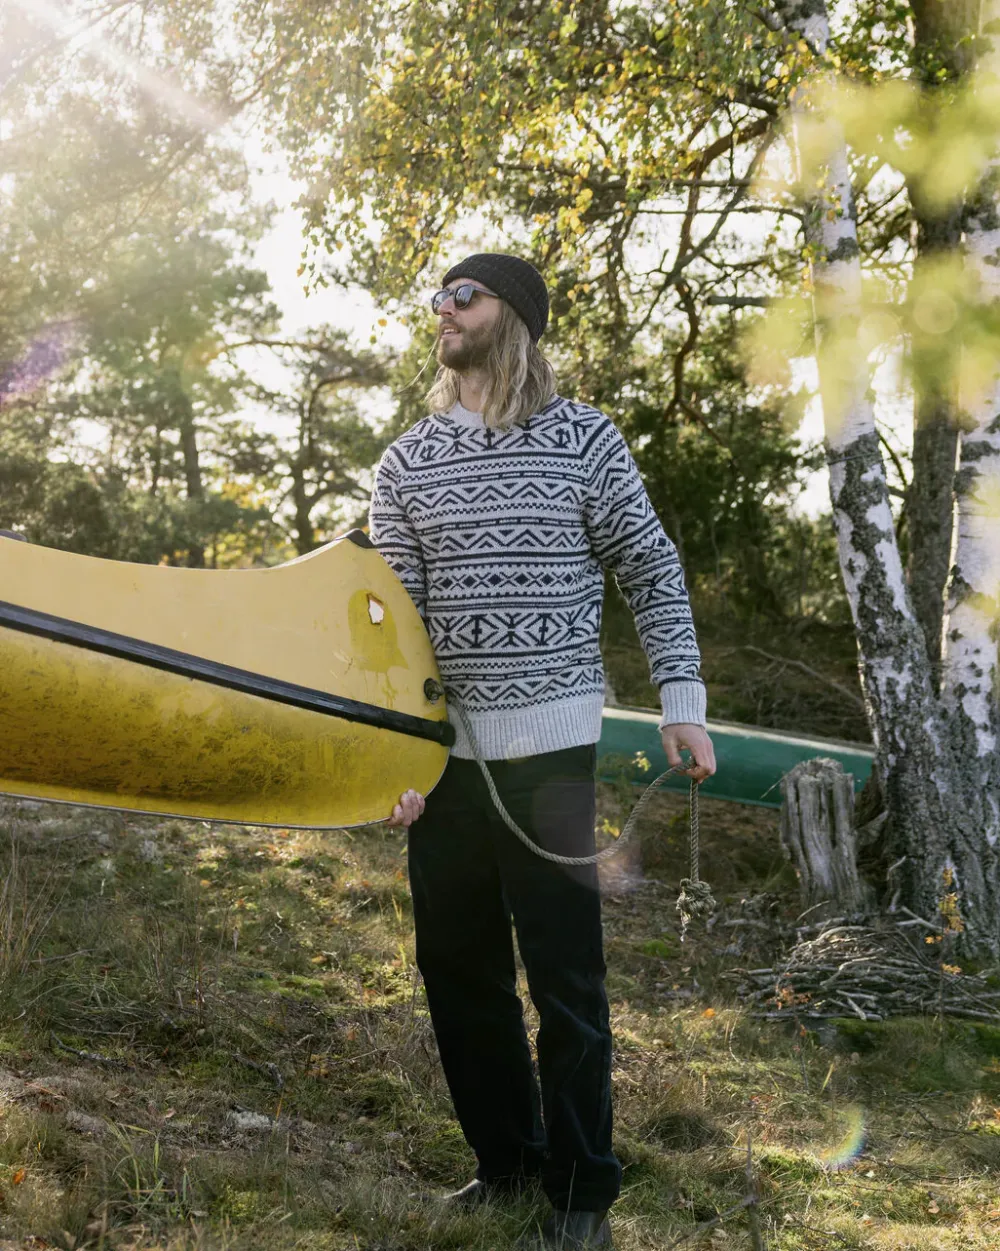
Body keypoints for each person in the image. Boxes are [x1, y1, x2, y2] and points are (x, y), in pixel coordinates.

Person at [368, 253, 715, 1250]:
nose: (441, 308)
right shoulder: (405, 463)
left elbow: (649, 566)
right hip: (447, 764)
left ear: (510, 315)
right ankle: (507, 1166)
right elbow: (392, 633)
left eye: (462, 294)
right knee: (457, 972)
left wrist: (682, 702)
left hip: (555, 752)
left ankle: (581, 1194)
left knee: (566, 982)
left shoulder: (583, 440)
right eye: (437, 295)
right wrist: (392, 759)